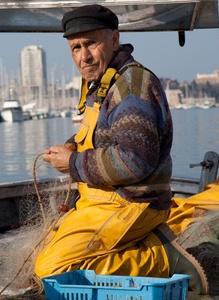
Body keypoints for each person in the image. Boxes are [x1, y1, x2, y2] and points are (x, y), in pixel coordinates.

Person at [34, 4, 208, 295]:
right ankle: (141, 243)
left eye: (91, 43)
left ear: (114, 40)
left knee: (51, 271)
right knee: (46, 250)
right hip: (104, 201)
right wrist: (71, 146)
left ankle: (162, 259)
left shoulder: (130, 87)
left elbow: (135, 160)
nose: (84, 56)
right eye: (75, 48)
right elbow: (103, 137)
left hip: (132, 203)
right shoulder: (103, 82)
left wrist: (74, 163)